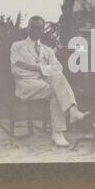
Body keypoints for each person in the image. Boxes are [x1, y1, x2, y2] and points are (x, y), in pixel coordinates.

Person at [10, 16, 88, 147]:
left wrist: (36, 68)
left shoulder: (47, 50)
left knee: (57, 81)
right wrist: (44, 71)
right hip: (26, 85)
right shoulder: (17, 46)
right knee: (57, 88)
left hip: (44, 84)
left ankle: (59, 131)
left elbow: (58, 68)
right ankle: (69, 118)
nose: (35, 30)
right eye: (32, 27)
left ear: (42, 30)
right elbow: (17, 70)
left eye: (38, 27)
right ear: (28, 28)